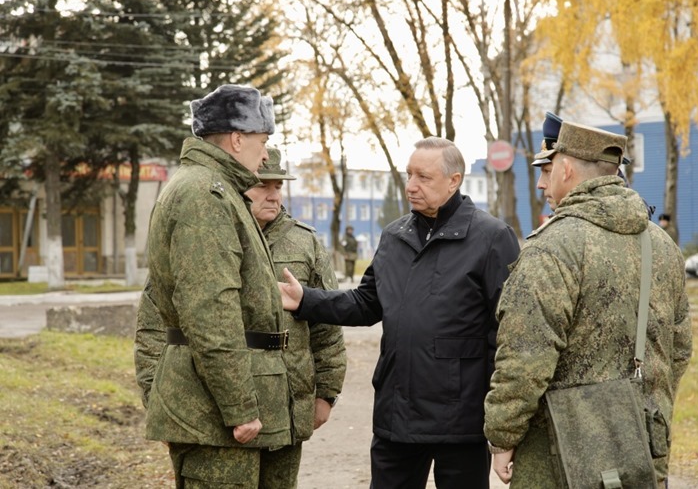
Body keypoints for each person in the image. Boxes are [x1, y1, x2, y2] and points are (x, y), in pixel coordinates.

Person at [279, 136, 520, 489]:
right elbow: (367, 303)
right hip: (398, 413)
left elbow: (509, 330)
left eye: (423, 177)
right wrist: (306, 301)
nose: (411, 186)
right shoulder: (395, 236)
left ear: (454, 181)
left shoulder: (491, 237)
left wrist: (504, 416)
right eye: (409, 175)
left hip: (462, 417)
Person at [483, 120, 692, 487]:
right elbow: (680, 350)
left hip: (558, 456)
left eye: (547, 171)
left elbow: (525, 359)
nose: (541, 184)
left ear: (566, 167)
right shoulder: (663, 246)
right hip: (640, 450)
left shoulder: (552, 247)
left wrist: (503, 438)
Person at [134, 84, 293, 488]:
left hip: (220, 406)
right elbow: (211, 312)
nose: (265, 152)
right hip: (214, 415)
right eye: (263, 140)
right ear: (237, 139)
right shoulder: (204, 194)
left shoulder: (216, 189)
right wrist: (240, 406)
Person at [244, 148, 348, 485]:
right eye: (263, 186)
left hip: (288, 401)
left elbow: (328, 324)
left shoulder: (304, 243)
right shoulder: (219, 236)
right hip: (234, 394)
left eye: (278, 187)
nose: (273, 195)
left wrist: (327, 393)